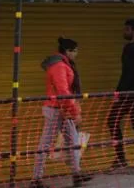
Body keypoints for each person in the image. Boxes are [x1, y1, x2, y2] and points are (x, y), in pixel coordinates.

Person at [32, 37, 92, 187]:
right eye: (76, 51)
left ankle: (77, 174)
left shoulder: (63, 64)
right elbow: (63, 91)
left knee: (73, 141)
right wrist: (75, 111)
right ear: (68, 51)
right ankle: (36, 180)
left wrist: (71, 109)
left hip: (62, 109)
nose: (77, 54)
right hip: (56, 109)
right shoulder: (59, 66)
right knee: (45, 144)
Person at [107, 18, 134, 174]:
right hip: (128, 93)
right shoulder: (128, 47)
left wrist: (119, 92)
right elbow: (126, 73)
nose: (124, 32)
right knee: (113, 121)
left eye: (127, 29)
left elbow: (133, 73)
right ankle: (121, 159)